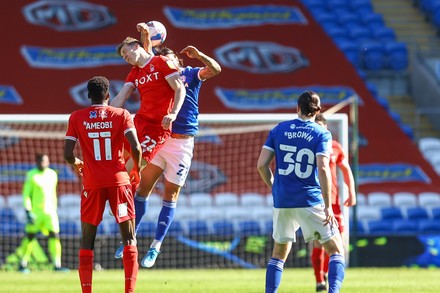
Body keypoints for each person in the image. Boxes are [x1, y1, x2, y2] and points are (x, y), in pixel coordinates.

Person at [114, 22, 221, 269]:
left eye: (170, 56)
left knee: (170, 195)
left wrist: (199, 55)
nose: (167, 58)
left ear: (177, 60)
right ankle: (130, 238)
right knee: (141, 188)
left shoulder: (191, 73)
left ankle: (155, 247)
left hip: (182, 143)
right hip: (160, 136)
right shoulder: (154, 69)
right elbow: (146, 57)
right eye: (163, 55)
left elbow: (215, 69)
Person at [257, 91, 346, 293]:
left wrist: (275, 187)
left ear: (297, 108)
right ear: (318, 110)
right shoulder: (321, 133)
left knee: (278, 253)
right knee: (336, 250)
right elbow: (323, 168)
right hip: (309, 199)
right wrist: (326, 205)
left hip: (282, 201)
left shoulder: (279, 129)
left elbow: (262, 165)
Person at [64, 76, 142, 293]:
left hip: (92, 184)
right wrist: (136, 168)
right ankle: (129, 291)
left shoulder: (77, 117)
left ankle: (87, 291)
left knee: (87, 239)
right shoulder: (122, 114)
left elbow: (67, 154)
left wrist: (77, 163)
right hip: (119, 182)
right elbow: (136, 148)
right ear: (108, 95)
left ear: (89, 95)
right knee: (129, 238)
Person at [312, 113, 357, 292]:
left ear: (326, 129)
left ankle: (328, 277)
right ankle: (319, 282)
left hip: (335, 203)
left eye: (322, 128)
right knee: (318, 243)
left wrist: (351, 191)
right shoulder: (308, 147)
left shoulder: (335, 147)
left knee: (339, 246)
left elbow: (346, 169)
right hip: (315, 202)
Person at [17, 153, 69, 273]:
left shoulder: (52, 174)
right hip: (35, 213)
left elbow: (52, 193)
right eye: (40, 161)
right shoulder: (31, 175)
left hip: (50, 213)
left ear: (48, 162)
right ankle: (22, 264)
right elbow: (26, 194)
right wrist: (28, 210)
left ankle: (57, 264)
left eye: (45, 161)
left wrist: (54, 208)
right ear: (37, 162)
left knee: (55, 237)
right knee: (30, 237)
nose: (43, 163)